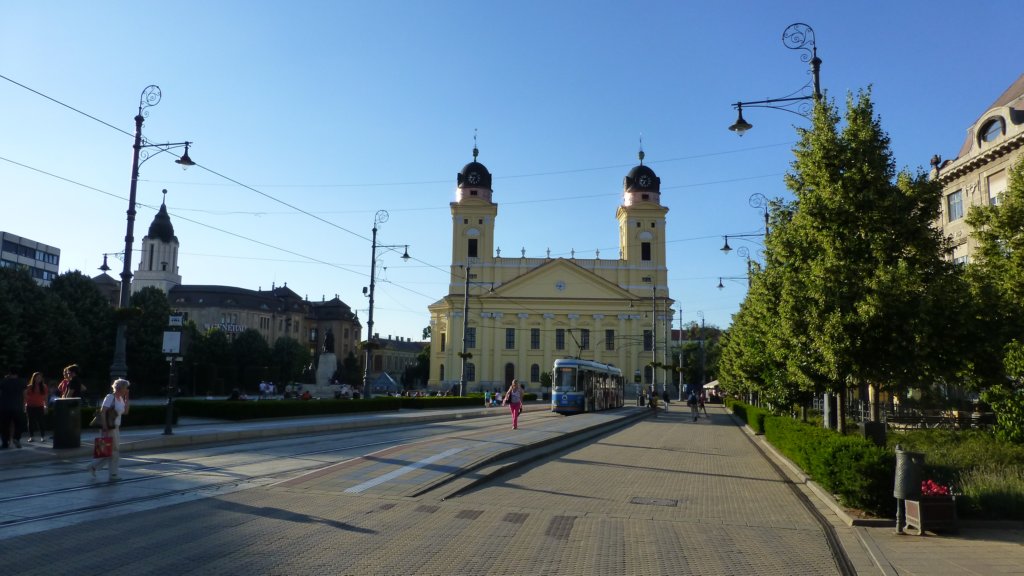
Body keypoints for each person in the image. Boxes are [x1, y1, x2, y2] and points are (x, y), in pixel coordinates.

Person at [88, 378, 130, 481]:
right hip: (109, 427)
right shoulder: (110, 397)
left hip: (116, 427)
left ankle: (94, 466)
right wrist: (105, 426)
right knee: (113, 451)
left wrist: (127, 398)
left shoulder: (120, 399)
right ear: (121, 388)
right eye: (126, 388)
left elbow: (125, 412)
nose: (127, 390)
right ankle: (112, 474)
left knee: (111, 451)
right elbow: (103, 412)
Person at [1, 369, 26, 449]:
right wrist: (24, 405)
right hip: (17, 407)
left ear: (9, 373)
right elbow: (24, 394)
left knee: (5, 426)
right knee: (19, 424)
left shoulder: (3, 382)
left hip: (5, 407)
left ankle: (5, 442)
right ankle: (16, 438)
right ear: (17, 374)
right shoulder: (21, 382)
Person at [25, 372, 48, 442]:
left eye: (40, 377)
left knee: (41, 422)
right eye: (37, 377)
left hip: (40, 406)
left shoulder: (44, 386)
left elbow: (46, 397)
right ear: (34, 378)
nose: (38, 379)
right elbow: (25, 396)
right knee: (30, 422)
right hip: (30, 406)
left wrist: (46, 406)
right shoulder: (29, 386)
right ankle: (31, 437)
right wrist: (25, 405)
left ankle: (43, 436)